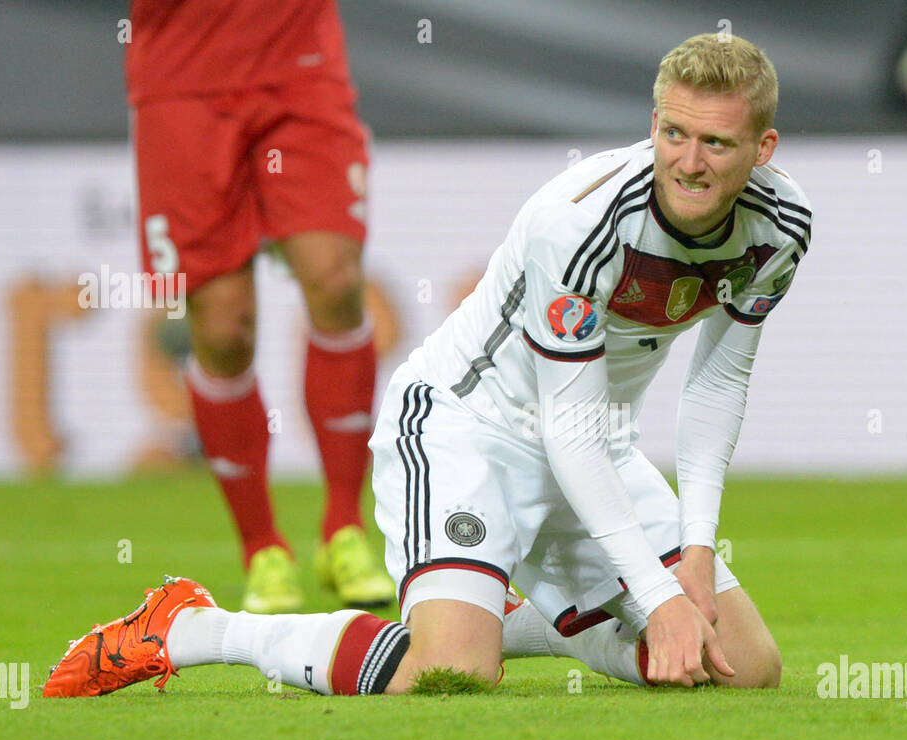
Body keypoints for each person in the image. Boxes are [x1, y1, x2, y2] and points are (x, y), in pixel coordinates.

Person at [45, 32, 811, 698]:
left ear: (762, 149)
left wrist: (698, 557)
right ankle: (197, 629)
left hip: (595, 446)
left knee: (745, 665)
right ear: (653, 124)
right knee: (450, 672)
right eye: (674, 134)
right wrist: (656, 591)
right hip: (466, 432)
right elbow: (561, 423)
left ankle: (510, 615)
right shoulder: (579, 223)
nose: (689, 162)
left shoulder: (782, 227)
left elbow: (718, 381)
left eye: (716, 143)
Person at [127, 0, 395, 613]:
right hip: (183, 79)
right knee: (223, 326)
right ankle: (262, 550)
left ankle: (343, 529)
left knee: (334, 277)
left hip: (299, 62)